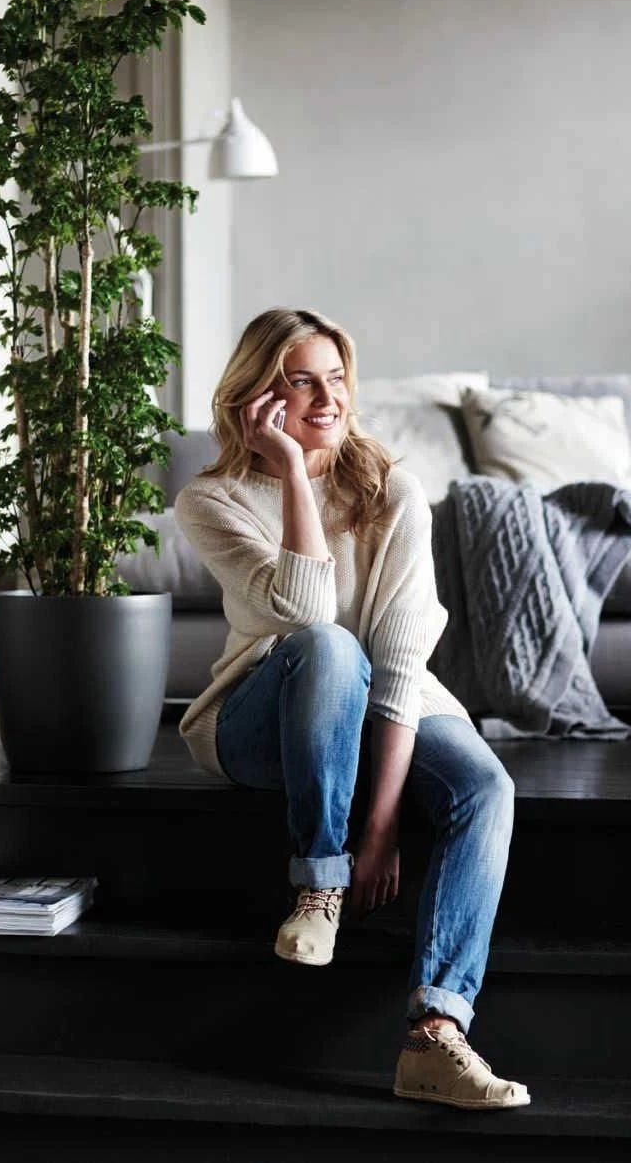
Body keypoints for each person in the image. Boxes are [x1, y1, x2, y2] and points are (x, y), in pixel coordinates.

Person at [174, 308, 527, 1110]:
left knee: (486, 788)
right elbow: (303, 614)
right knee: (329, 645)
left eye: (335, 378)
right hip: (260, 718)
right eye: (301, 382)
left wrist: (383, 826)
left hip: (378, 709)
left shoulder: (393, 491)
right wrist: (293, 473)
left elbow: (400, 660)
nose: (327, 398)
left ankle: (435, 1034)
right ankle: (318, 888)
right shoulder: (211, 499)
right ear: (257, 397)